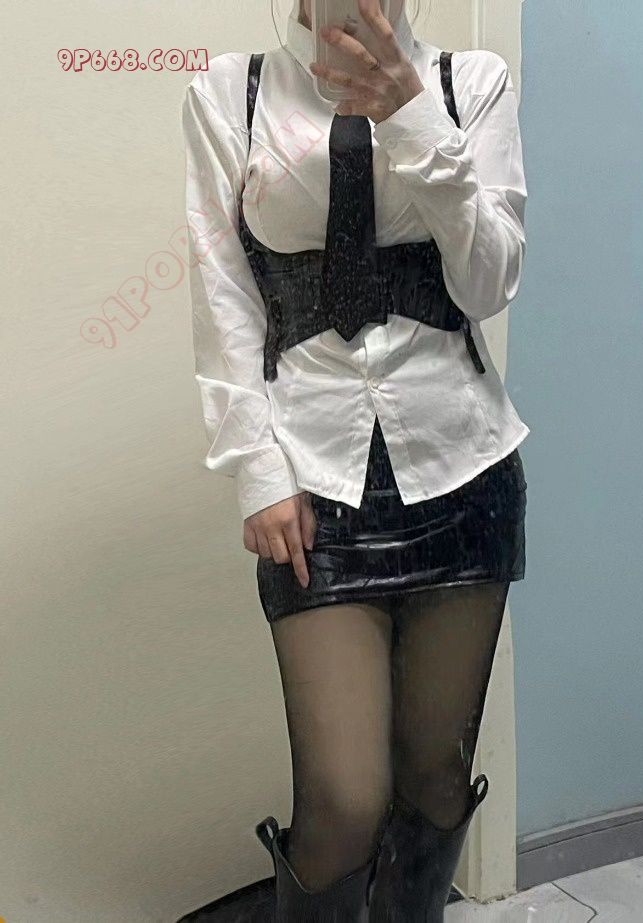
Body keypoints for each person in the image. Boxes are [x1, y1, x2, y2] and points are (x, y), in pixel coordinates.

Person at [179, 0, 529, 918]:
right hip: (311, 480)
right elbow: (221, 296)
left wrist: (411, 114)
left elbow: (491, 279)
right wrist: (257, 470)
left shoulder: (468, 84)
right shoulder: (230, 94)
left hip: (463, 471)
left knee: (435, 779)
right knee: (344, 800)